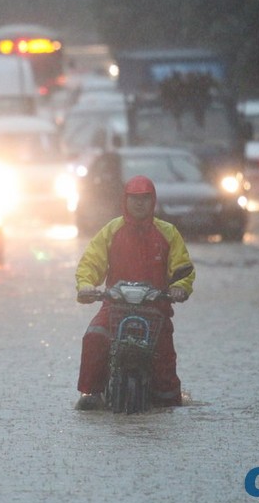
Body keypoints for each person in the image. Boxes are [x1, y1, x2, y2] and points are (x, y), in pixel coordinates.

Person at [74, 175, 196, 410]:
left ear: (153, 201)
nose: (139, 204)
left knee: (168, 388)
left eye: (145, 199)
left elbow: (183, 269)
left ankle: (165, 397)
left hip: (156, 311)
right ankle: (91, 392)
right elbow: (90, 263)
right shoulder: (111, 231)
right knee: (94, 336)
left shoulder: (168, 233)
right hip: (114, 308)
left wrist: (180, 287)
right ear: (125, 200)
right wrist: (86, 286)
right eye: (134, 199)